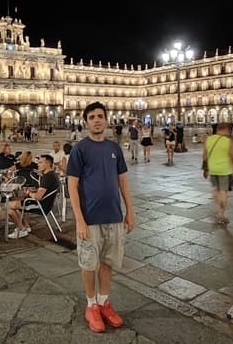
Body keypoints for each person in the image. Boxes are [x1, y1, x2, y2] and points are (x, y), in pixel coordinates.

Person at [67, 101, 134, 333]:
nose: (97, 120)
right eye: (92, 116)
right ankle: (91, 305)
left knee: (107, 262)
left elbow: (123, 181)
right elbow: (72, 186)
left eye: (100, 116)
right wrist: (79, 219)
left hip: (114, 216)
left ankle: (104, 301)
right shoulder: (80, 149)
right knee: (89, 263)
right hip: (90, 218)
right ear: (86, 122)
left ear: (106, 120)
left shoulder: (114, 148)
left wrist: (130, 212)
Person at [7, 154, 60, 238]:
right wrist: (34, 191)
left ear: (48, 164)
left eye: (40, 162)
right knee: (16, 204)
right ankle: (26, 226)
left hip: (40, 205)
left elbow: (38, 197)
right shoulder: (51, 175)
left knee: (8, 206)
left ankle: (21, 230)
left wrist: (29, 193)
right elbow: (45, 190)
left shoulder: (48, 177)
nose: (38, 165)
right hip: (46, 203)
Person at [202, 123, 233, 225]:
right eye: (229, 130)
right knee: (223, 192)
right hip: (224, 170)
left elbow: (204, 155)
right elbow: (232, 157)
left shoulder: (209, 139)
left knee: (216, 188)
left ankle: (215, 200)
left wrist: (205, 169)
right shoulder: (228, 141)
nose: (229, 133)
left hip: (212, 169)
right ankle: (221, 214)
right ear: (225, 130)